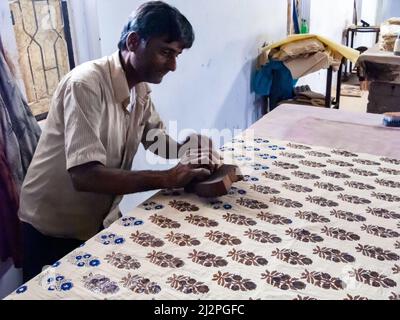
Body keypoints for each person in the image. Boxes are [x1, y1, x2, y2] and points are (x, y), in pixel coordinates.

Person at [19, 1, 220, 282]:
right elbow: (85, 176)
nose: (173, 66)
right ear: (134, 41)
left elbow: (155, 140)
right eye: (166, 52)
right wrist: (168, 178)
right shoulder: (85, 84)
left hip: (97, 220)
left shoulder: (139, 87)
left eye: (177, 55)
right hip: (51, 226)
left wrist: (190, 146)